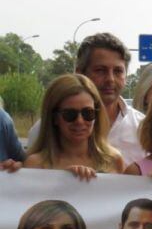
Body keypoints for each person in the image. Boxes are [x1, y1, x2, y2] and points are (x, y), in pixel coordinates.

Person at [28, 32, 145, 165]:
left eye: (118, 71)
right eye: (100, 70)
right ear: (79, 73)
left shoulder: (143, 129)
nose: (110, 79)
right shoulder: (44, 129)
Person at [24, 74, 124, 178]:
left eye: (88, 113)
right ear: (54, 117)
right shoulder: (35, 165)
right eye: (69, 114)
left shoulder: (114, 160)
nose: (79, 121)